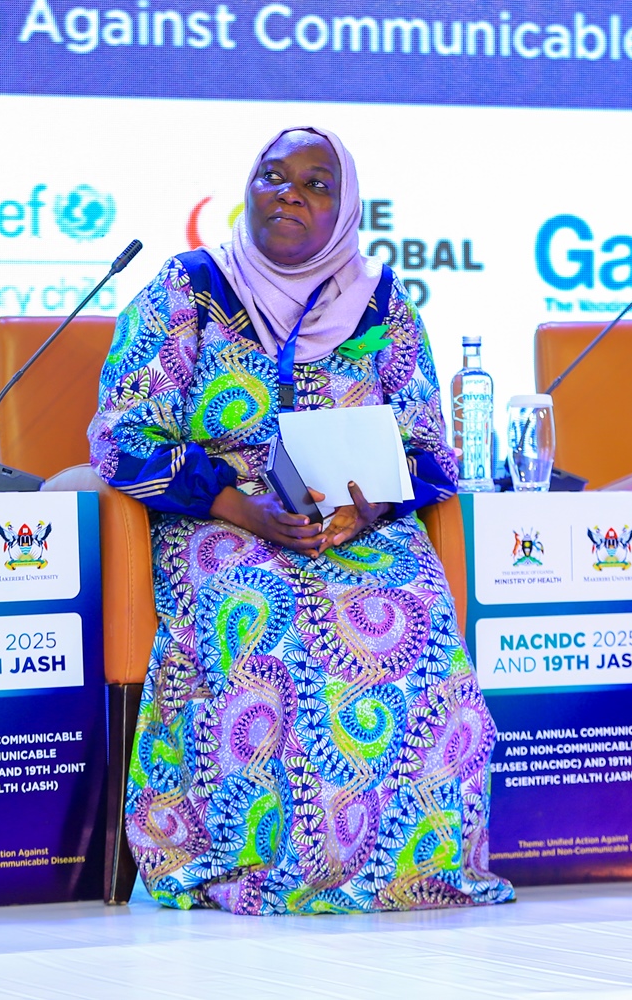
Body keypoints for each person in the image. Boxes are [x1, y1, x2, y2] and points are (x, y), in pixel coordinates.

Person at [88, 127, 513, 915]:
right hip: (220, 513)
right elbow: (122, 434)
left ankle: (412, 863)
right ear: (245, 191)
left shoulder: (382, 301)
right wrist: (234, 504)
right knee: (267, 614)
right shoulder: (185, 289)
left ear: (346, 209)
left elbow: (428, 444)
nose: (290, 193)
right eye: (273, 176)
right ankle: (256, 859)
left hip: (355, 518)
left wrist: (369, 507)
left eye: (317, 184)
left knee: (413, 613)